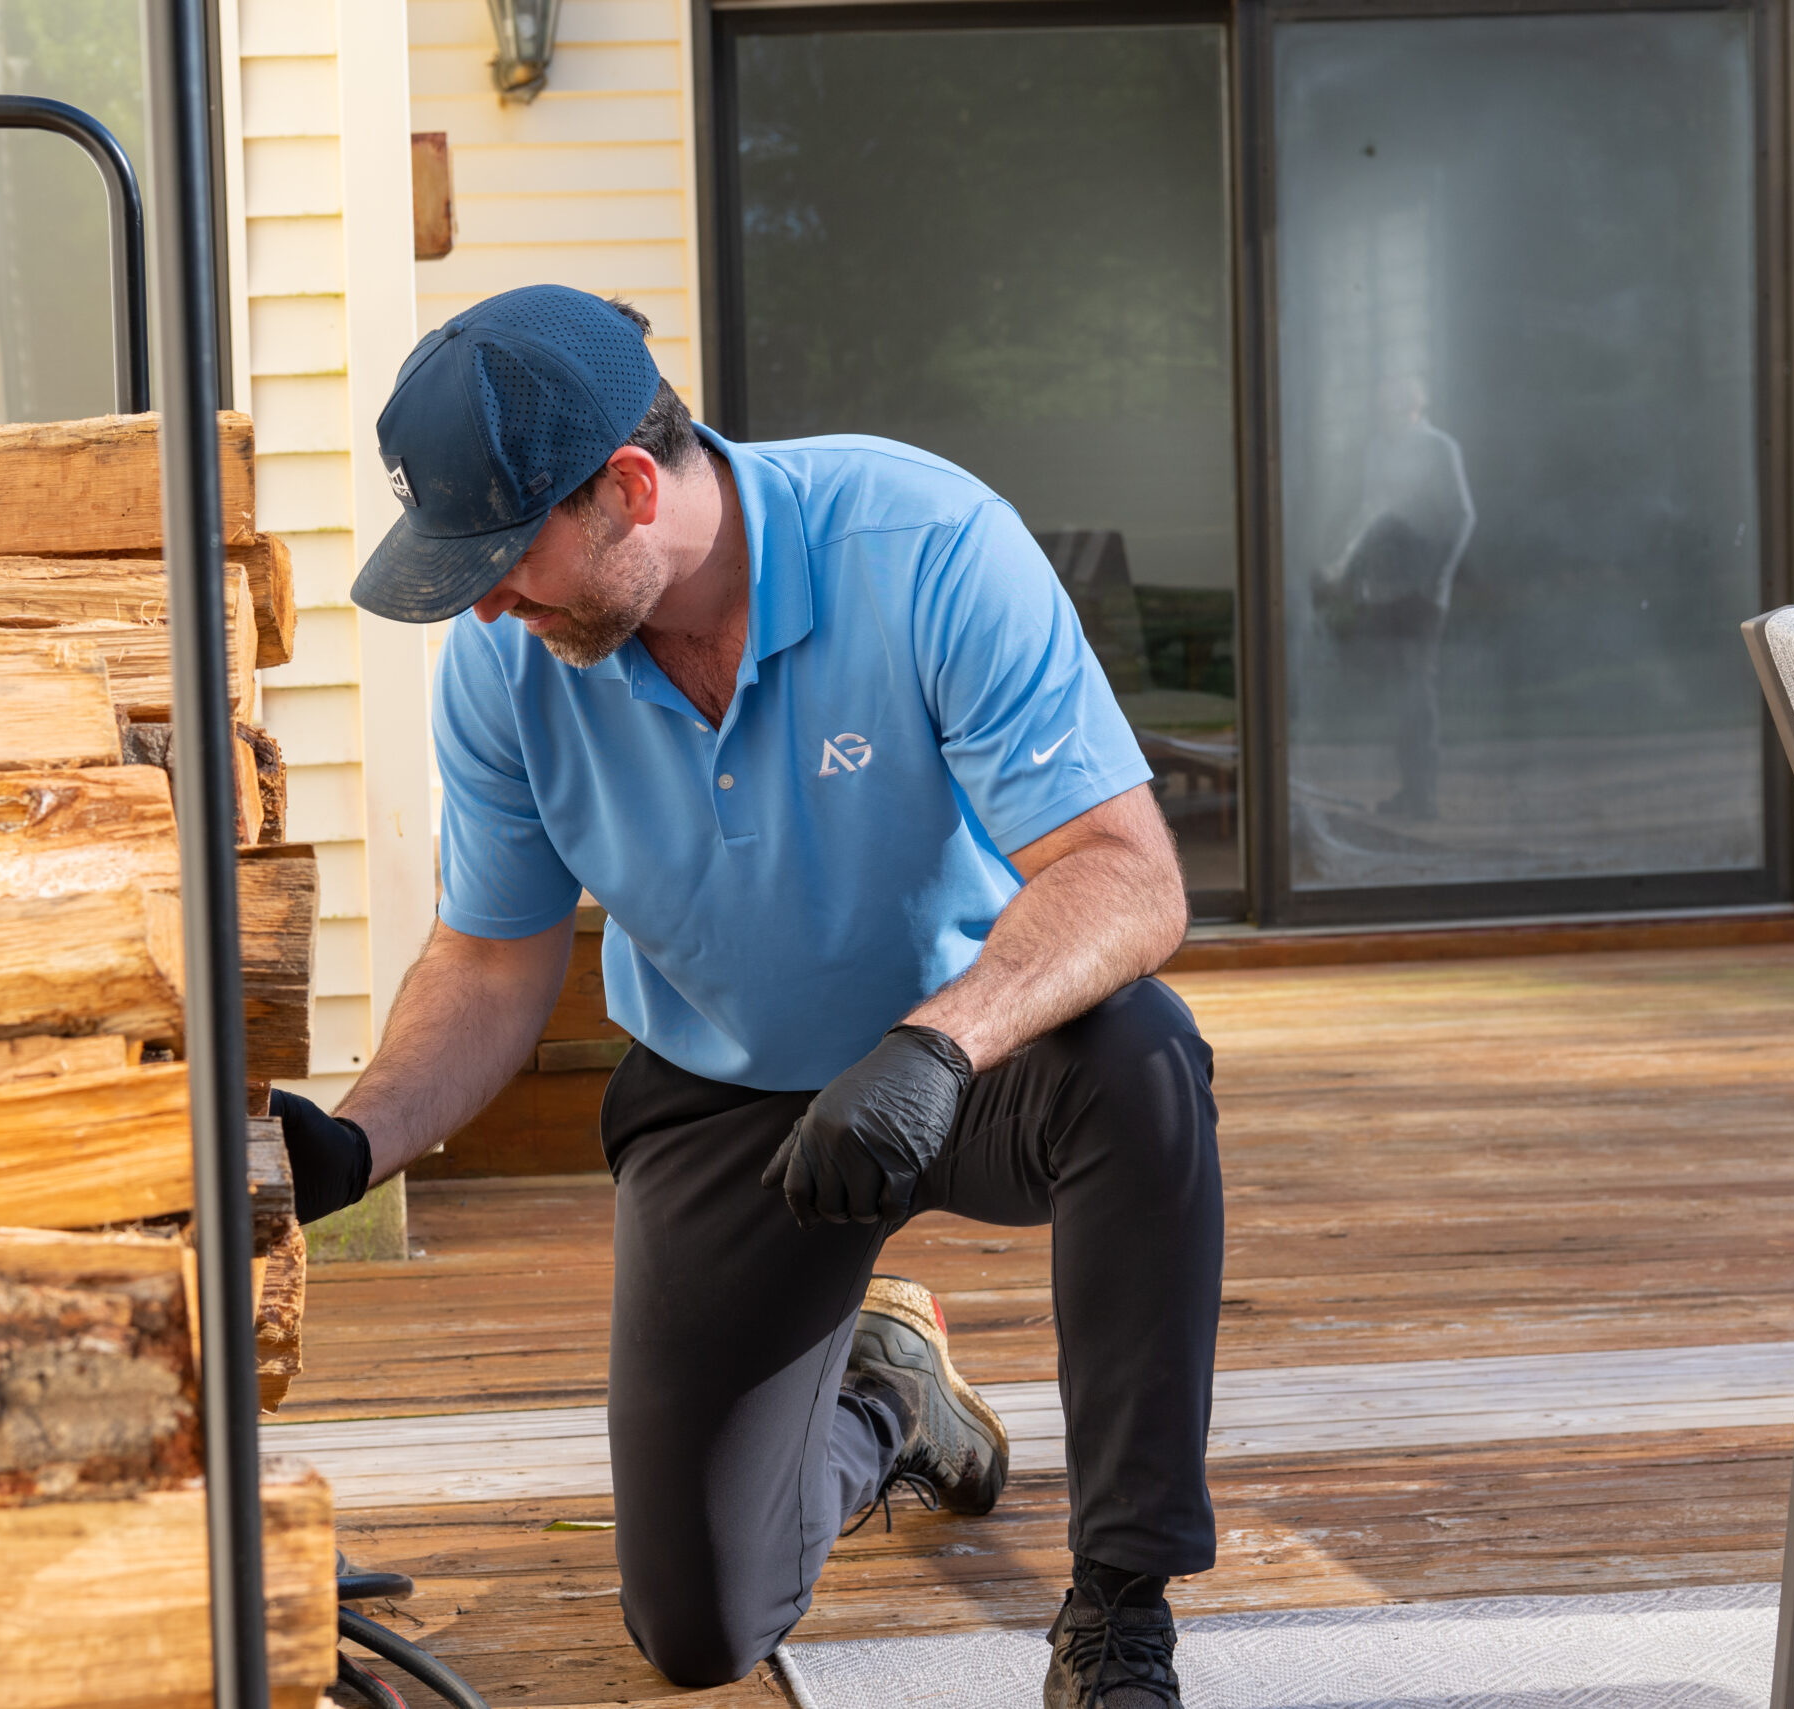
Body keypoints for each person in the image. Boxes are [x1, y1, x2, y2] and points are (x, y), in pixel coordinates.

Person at [273, 285, 1223, 1709]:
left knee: (1147, 1062)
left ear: (631, 489)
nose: (479, 601)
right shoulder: (507, 668)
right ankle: (891, 1400)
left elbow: (1128, 875)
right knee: (701, 1628)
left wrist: (938, 1043)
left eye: (503, 556)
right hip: (726, 1095)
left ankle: (1121, 1610)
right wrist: (355, 1141)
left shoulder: (923, 543)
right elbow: (490, 957)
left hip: (973, 1056)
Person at [1313, 376, 1476, 821]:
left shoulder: (1440, 449)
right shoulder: (1378, 451)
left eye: (1393, 407)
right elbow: (1371, 515)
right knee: (1398, 693)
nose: (1385, 415)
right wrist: (1343, 569)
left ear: (1414, 407)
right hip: (1383, 591)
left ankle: (1423, 797)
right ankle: (1411, 792)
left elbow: (1462, 516)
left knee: (1417, 689)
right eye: (1381, 407)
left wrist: (1435, 578)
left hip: (1422, 595)